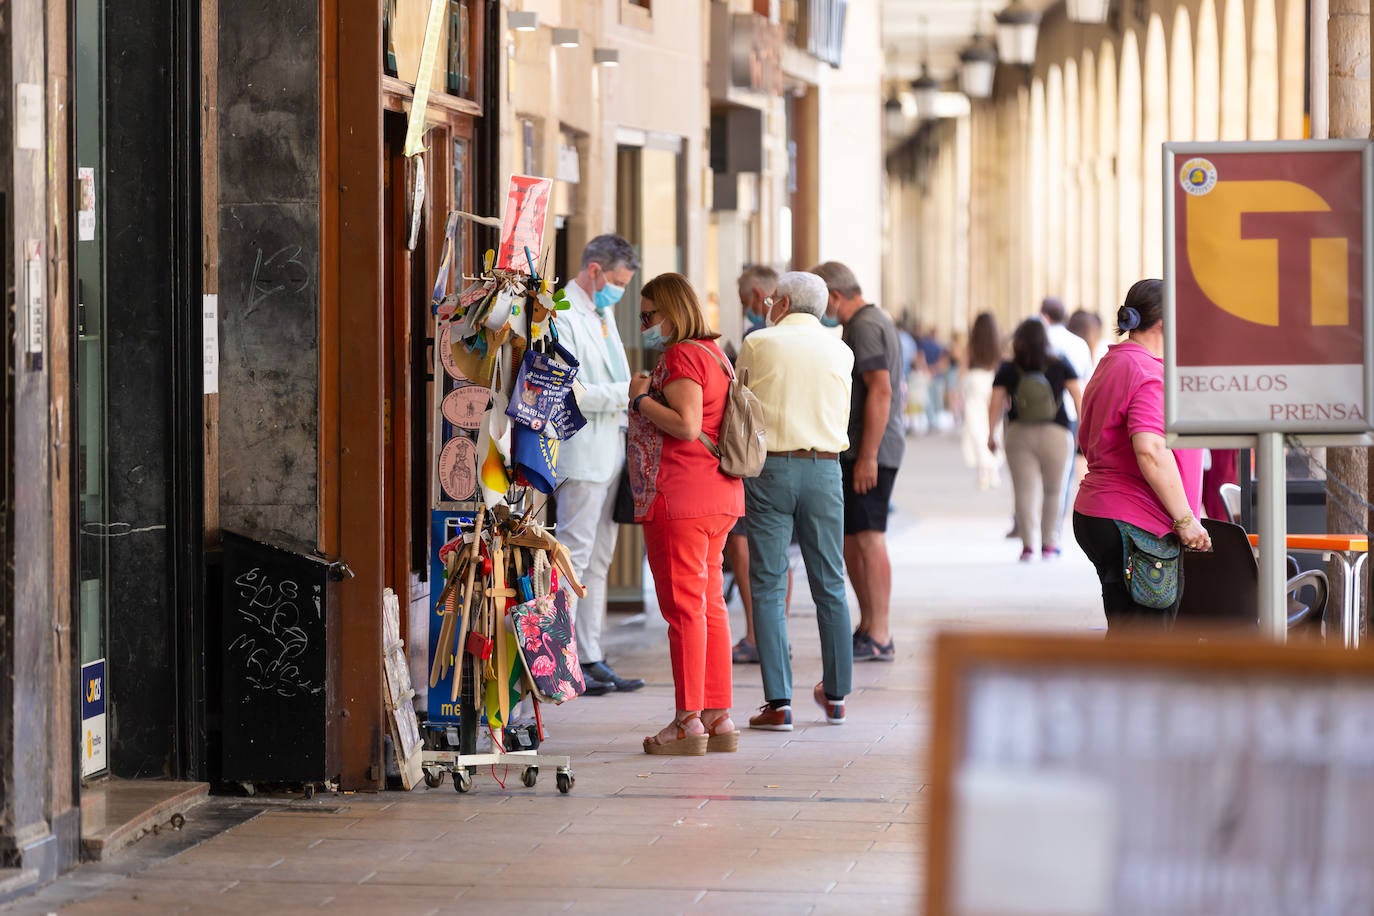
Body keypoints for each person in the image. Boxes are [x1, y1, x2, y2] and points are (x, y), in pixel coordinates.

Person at [627, 273, 744, 754]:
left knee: (684, 611)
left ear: (673, 311)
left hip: (681, 499)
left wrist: (640, 399)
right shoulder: (716, 354)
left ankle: (686, 720)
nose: (645, 324)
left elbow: (686, 424)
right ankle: (718, 716)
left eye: (650, 315)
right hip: (718, 496)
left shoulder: (682, 355)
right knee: (710, 604)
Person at [736, 271, 855, 730]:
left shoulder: (760, 342)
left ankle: (779, 702)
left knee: (767, 583)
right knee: (830, 582)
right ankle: (838, 694)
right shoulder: (841, 350)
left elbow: (739, 398)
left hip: (771, 468)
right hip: (826, 469)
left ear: (781, 302)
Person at [1073, 279, 1209, 629]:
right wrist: (1184, 519)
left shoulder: (1112, 364)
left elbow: (1088, 439)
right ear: (1164, 321)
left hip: (1104, 513)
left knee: (1129, 636)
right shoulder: (1148, 372)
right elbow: (1149, 449)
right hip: (1135, 523)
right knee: (1148, 645)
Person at [554, 234, 645, 696]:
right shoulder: (562, 310)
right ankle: (564, 658)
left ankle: (591, 653)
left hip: (611, 447)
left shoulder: (602, 311)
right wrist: (627, 395)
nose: (620, 292)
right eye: (617, 282)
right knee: (573, 555)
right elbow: (574, 391)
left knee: (600, 558)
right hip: (583, 451)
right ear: (594, 270)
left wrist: (624, 394)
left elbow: (610, 380)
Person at [811, 261, 905, 662]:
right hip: (863, 448)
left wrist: (867, 455)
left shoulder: (865, 326)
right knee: (853, 540)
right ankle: (869, 627)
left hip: (872, 450)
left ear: (834, 295)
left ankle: (880, 632)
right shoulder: (869, 321)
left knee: (868, 538)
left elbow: (880, 391)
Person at [724, 266, 793, 665]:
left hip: (756, 453)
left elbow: (740, 393)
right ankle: (775, 633)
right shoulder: (812, 338)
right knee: (780, 554)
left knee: (745, 544)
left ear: (756, 295)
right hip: (794, 454)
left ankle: (756, 634)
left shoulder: (759, 338)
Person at [988, 318, 1083, 561]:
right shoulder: (1060, 363)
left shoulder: (1009, 367)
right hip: (1057, 434)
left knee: (1024, 491)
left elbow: (996, 403)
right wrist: (1084, 428)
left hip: (1019, 434)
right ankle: (1050, 544)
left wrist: (991, 433)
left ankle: (1029, 546)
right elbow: (1078, 396)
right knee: (1055, 491)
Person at [960, 312, 1003, 491]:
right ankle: (992, 467)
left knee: (977, 429)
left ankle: (984, 469)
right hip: (993, 382)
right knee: (994, 426)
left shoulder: (970, 346)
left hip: (974, 383)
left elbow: (962, 371)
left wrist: (960, 392)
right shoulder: (999, 345)